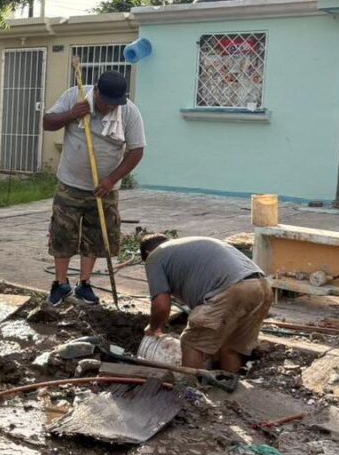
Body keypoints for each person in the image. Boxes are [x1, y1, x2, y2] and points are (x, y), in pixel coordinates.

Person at [42, 70, 145, 306]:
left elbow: (137, 150)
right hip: (70, 183)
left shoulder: (128, 112)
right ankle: (60, 283)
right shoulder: (75, 96)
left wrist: (111, 180)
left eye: (114, 103)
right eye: (105, 102)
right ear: (96, 91)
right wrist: (72, 114)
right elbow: (47, 123)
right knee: (62, 235)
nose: (109, 107)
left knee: (96, 237)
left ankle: (84, 284)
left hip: (104, 188)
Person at [139, 234, 274, 372]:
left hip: (231, 289)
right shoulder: (187, 246)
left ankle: (192, 390)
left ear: (148, 253)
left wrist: (154, 327)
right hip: (262, 287)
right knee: (229, 346)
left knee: (191, 343)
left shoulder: (154, 257)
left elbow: (161, 306)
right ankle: (227, 386)